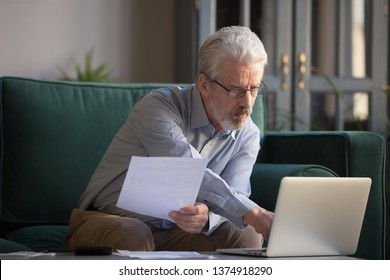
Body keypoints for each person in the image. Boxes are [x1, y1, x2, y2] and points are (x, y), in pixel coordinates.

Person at [64, 26, 274, 251]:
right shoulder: (158, 107)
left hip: (177, 231)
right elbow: (188, 168)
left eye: (254, 89)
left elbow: (236, 194)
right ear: (204, 85)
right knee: (134, 234)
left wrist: (208, 217)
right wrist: (256, 212)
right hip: (106, 219)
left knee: (247, 236)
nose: (248, 103)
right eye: (235, 90)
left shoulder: (248, 133)